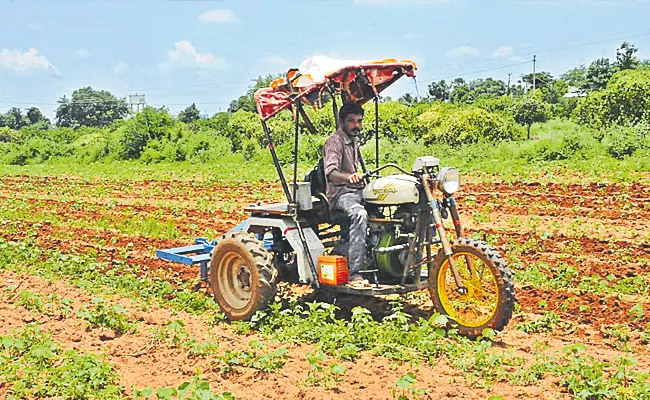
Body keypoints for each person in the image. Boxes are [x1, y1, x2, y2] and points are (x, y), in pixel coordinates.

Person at [323, 102, 368, 283]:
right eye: (352, 121)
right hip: (340, 194)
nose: (356, 126)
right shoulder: (335, 141)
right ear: (341, 122)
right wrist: (349, 178)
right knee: (360, 214)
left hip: (356, 191)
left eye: (359, 121)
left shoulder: (353, 142)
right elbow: (331, 173)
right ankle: (355, 272)